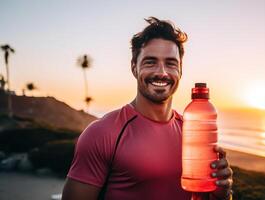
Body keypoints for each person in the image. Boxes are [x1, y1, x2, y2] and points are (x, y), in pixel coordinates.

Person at [62, 17, 233, 200]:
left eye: (170, 63)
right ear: (134, 68)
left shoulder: (192, 133)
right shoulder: (102, 133)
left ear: (180, 71)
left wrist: (221, 195)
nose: (162, 72)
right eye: (150, 62)